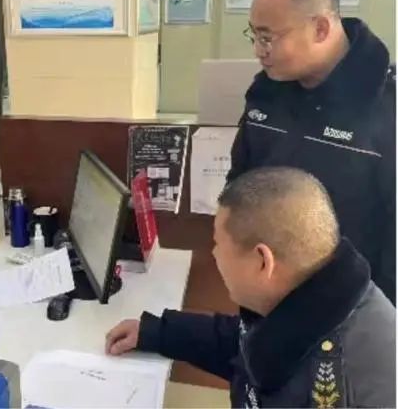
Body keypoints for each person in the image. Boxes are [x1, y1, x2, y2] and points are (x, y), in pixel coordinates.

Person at [106, 167, 395, 408]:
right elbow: (248, 345)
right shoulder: (310, 292)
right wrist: (159, 333)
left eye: (218, 244)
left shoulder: (343, 390)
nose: (214, 254)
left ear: (262, 261)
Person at [227, 0, 395, 303]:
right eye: (254, 35)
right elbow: (240, 180)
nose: (259, 50)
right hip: (268, 294)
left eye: (268, 37)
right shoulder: (266, 92)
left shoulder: (385, 106)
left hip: (350, 309)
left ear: (320, 29)